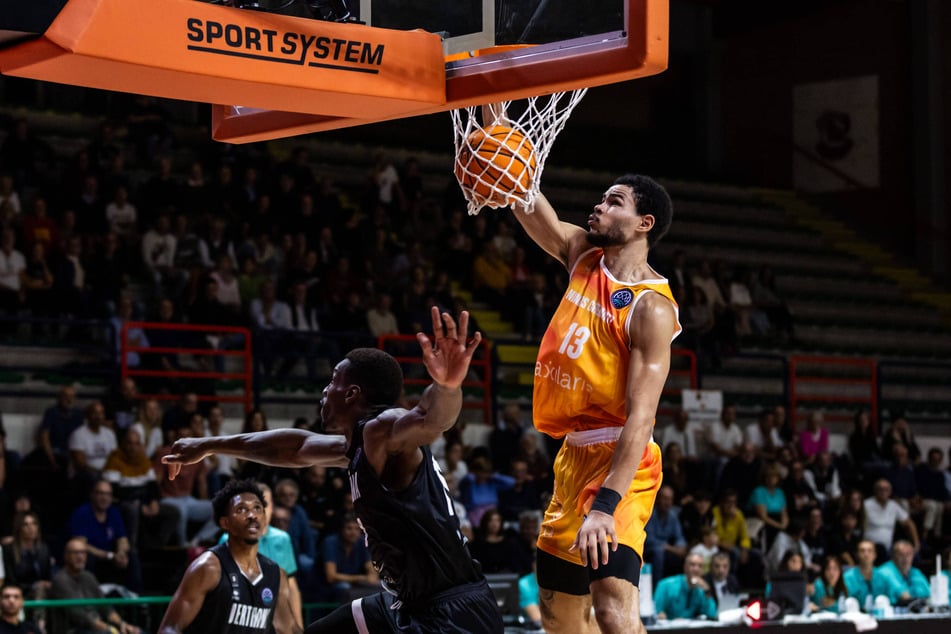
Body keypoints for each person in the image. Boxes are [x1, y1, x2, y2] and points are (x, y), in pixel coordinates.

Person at [161, 308, 503, 632]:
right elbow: (293, 448)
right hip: (408, 603)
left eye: (332, 382)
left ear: (352, 393)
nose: (325, 391)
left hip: (454, 615)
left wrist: (447, 387)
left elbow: (431, 420)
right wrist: (208, 445)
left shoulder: (383, 428)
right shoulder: (357, 447)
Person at [511, 175, 678, 633]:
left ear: (644, 223)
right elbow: (527, 204)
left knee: (611, 612)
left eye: (614, 201)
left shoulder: (652, 308)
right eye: (602, 198)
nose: (599, 206)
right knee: (560, 620)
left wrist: (605, 505)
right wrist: (495, 129)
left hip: (624, 461)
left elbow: (641, 418)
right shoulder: (583, 253)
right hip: (571, 457)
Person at [157, 479, 300, 634]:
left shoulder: (275, 574)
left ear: (265, 518)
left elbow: (288, 629)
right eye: (241, 510)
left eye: (257, 508)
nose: (252, 515)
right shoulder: (208, 568)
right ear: (225, 523)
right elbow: (169, 629)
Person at [49, 537, 140, 634]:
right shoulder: (60, 580)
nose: (80, 557)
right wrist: (111, 629)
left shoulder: (89, 577)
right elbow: (78, 615)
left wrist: (123, 625)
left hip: (96, 628)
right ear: (66, 556)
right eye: (75, 553)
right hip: (74, 630)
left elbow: (105, 607)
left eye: (83, 553)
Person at [320, 513, 378, 603]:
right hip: (326, 585)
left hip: (352, 582)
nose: (353, 533)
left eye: (356, 529)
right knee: (345, 587)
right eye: (349, 528)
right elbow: (331, 577)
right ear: (341, 530)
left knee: (382, 585)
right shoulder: (330, 542)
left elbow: (371, 569)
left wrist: (372, 576)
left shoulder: (362, 542)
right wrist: (361, 578)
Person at [652, 553, 717, 621]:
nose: (696, 569)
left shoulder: (701, 590)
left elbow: (712, 615)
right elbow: (656, 611)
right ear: (685, 567)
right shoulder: (666, 585)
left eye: (700, 566)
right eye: (692, 564)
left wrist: (707, 590)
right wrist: (661, 616)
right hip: (668, 628)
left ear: (703, 570)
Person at [876, 540, 929, 606]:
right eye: (901, 554)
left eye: (908, 554)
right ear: (893, 556)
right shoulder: (885, 571)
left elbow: (928, 595)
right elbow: (904, 597)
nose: (905, 558)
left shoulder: (915, 572)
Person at [843, 540, 888, 612]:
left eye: (870, 551)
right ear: (857, 555)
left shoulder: (882, 577)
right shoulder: (847, 577)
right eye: (862, 551)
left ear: (875, 555)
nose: (866, 554)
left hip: (879, 616)